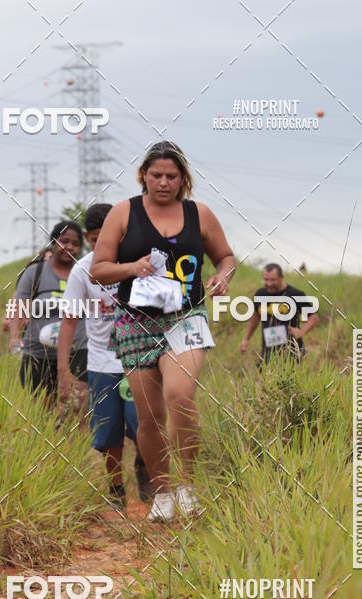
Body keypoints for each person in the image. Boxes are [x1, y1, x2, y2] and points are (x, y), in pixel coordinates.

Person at [90, 140, 236, 523]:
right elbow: (99, 268)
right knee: (149, 414)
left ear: (183, 179)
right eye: (156, 175)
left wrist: (222, 277)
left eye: (172, 176)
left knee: (180, 395)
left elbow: (226, 257)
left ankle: (187, 486)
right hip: (136, 321)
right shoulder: (124, 213)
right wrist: (131, 267)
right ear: (144, 176)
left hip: (185, 315)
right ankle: (163, 492)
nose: (164, 182)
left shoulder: (199, 213)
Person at [57, 203, 154, 508]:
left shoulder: (138, 264)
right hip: (101, 362)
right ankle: (115, 489)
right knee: (108, 433)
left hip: (138, 359)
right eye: (97, 238)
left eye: (113, 235)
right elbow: (69, 320)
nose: (104, 244)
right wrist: (63, 372)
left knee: (142, 427)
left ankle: (143, 466)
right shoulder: (82, 270)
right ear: (87, 237)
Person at [9, 221, 88, 406]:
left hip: (77, 353)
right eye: (64, 241)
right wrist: (13, 337)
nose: (69, 247)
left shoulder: (85, 273)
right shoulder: (34, 273)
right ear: (53, 242)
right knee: (45, 408)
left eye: (75, 244)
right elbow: (19, 307)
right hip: (39, 354)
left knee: (76, 406)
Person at [240, 263, 319, 366]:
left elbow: (314, 318)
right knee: (264, 379)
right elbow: (255, 316)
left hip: (292, 351)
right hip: (268, 350)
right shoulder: (261, 294)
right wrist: (246, 339)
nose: (268, 283)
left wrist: (301, 332)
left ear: (282, 277)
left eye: (273, 280)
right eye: (266, 279)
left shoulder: (295, 294)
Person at [3, 247, 52, 335]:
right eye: (49, 259)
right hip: (32, 340)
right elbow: (6, 323)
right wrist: (26, 320)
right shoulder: (26, 285)